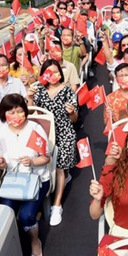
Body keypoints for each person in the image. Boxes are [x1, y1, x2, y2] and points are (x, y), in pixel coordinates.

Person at [0, 94, 51, 256]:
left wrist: (32, 161)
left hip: (37, 179)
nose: (16, 116)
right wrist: (1, 163)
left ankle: (35, 241)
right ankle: (12, 244)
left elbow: (45, 158)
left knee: (26, 216)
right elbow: (2, 161)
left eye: (20, 111)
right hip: (13, 180)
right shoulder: (0, 131)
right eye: (11, 112)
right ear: (4, 114)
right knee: (5, 211)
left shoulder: (35, 129)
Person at [27, 59, 78, 226]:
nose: (53, 75)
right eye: (49, 72)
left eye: (56, 72)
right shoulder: (38, 90)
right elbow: (32, 113)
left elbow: (75, 120)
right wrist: (29, 98)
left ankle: (57, 205)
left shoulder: (68, 91)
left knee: (59, 167)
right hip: (44, 133)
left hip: (63, 132)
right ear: (43, 74)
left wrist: (71, 112)